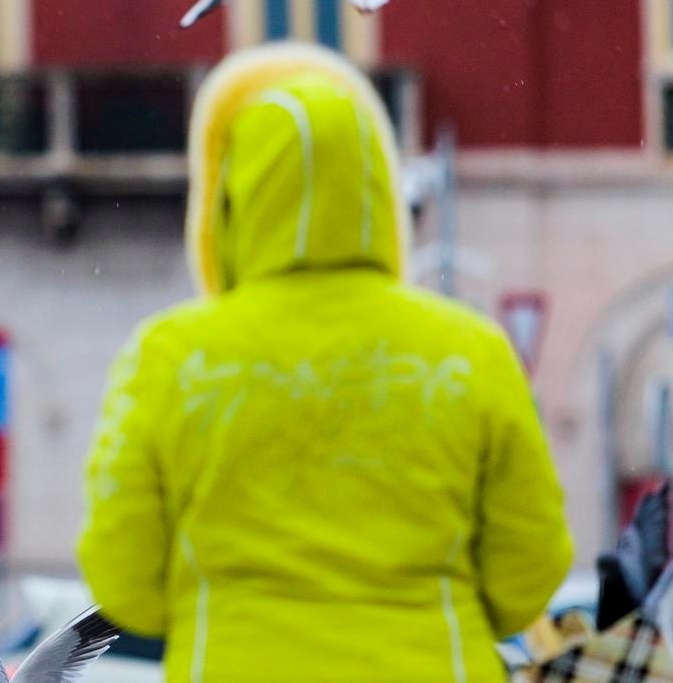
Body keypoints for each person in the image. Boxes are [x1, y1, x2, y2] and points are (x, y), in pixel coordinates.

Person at [78, 43, 572, 683]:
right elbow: (529, 572)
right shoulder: (470, 352)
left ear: (229, 203)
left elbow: (124, 585)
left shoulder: (169, 357)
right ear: (380, 192)